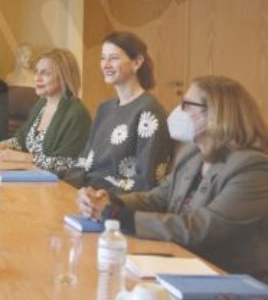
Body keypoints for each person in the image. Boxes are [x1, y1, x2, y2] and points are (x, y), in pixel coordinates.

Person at [78, 76, 268, 282]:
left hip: (228, 279)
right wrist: (111, 200)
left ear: (214, 113)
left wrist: (119, 216)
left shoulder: (253, 168)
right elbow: (159, 197)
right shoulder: (192, 154)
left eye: (187, 105)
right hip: (183, 263)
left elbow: (200, 228)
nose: (179, 111)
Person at [67, 31, 172, 192]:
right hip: (85, 192)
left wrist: (100, 198)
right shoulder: (104, 108)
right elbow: (84, 162)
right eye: (103, 58)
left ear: (137, 62)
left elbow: (146, 181)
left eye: (114, 58)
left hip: (114, 200)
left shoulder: (149, 111)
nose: (105, 65)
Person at [0, 49, 91, 176]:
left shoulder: (77, 114)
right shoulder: (42, 104)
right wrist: (2, 146)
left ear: (64, 77)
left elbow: (68, 163)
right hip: (31, 176)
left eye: (45, 73)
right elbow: (22, 139)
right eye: (36, 72)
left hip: (58, 183)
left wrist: (26, 158)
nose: (37, 78)